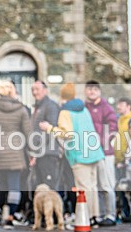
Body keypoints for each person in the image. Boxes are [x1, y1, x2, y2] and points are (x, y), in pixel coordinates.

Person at [40, 83, 104, 224]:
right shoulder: (83, 109)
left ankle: (85, 218)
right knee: (92, 186)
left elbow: (67, 134)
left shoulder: (65, 112)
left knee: (83, 187)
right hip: (94, 151)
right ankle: (94, 216)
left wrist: (49, 128)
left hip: (79, 154)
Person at [0, 79, 31, 229]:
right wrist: (32, 153)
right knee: (14, 185)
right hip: (15, 151)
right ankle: (10, 217)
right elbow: (28, 133)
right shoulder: (21, 109)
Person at [85, 80, 118, 226]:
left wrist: (101, 141)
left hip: (105, 152)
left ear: (99, 91)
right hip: (90, 152)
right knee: (94, 185)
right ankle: (98, 215)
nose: (91, 92)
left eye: (94, 89)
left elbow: (113, 127)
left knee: (106, 185)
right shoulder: (84, 108)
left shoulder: (106, 108)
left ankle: (110, 215)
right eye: (89, 89)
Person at [29, 80, 61, 190]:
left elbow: (51, 132)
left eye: (37, 89)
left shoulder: (51, 106)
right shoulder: (38, 107)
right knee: (40, 187)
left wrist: (36, 153)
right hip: (40, 154)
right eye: (33, 89)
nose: (35, 92)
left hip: (48, 154)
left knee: (49, 187)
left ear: (45, 90)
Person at [115, 96, 131, 222]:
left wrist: (128, 158)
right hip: (120, 160)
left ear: (128, 106)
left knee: (129, 188)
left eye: (121, 104)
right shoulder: (120, 120)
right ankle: (126, 213)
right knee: (122, 188)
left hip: (129, 161)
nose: (118, 106)